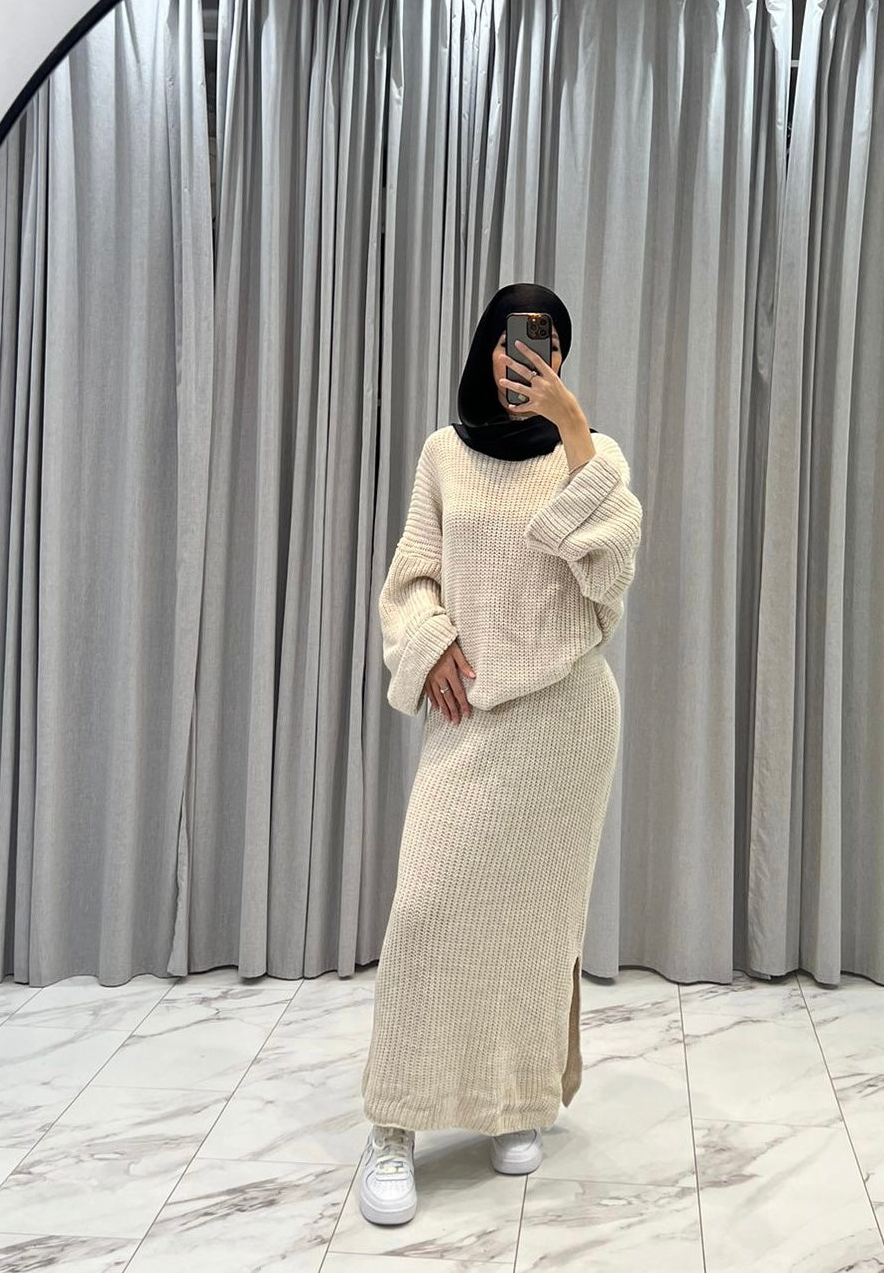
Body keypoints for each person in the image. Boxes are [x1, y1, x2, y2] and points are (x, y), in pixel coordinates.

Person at [356, 283, 643, 1226]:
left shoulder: (591, 457)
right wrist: (430, 639)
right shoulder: (444, 454)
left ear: (561, 358)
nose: (531, 357)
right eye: (518, 340)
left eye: (549, 344)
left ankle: (517, 1101)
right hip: (474, 718)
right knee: (425, 912)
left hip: (567, 722)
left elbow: (608, 571)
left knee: (535, 926)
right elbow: (410, 576)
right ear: (488, 346)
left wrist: (574, 430)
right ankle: (393, 1126)